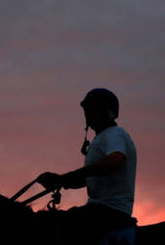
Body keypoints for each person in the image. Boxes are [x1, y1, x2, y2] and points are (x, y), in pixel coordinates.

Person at [36, 87, 137, 234]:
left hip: (111, 211)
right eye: (87, 110)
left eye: (93, 110)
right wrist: (60, 181)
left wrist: (69, 176)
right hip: (97, 209)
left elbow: (114, 162)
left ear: (107, 112)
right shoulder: (100, 138)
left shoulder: (116, 134)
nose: (88, 114)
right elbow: (88, 178)